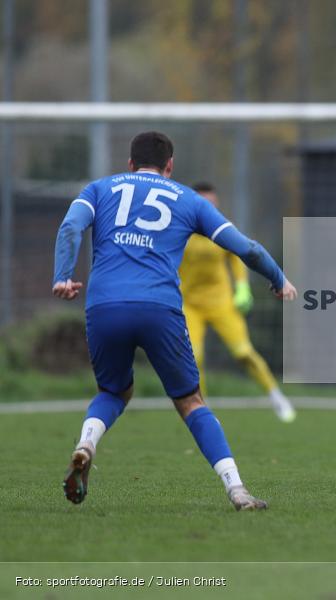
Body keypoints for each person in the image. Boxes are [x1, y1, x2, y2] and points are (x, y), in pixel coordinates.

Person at [52, 131, 298, 511]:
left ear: (130, 164)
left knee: (114, 392)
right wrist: (279, 279)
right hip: (159, 308)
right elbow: (245, 248)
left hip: (105, 306)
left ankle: (86, 443)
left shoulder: (99, 189)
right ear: (169, 167)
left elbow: (70, 227)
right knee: (189, 400)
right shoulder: (188, 199)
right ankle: (237, 489)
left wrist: (62, 276)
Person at [179, 182, 295, 423]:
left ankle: (276, 396)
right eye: (202, 202)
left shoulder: (219, 229)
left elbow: (237, 255)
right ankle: (204, 411)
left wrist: (242, 287)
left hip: (221, 302)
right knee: (194, 356)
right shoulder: (181, 230)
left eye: (211, 203)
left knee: (243, 352)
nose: (207, 207)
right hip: (189, 304)